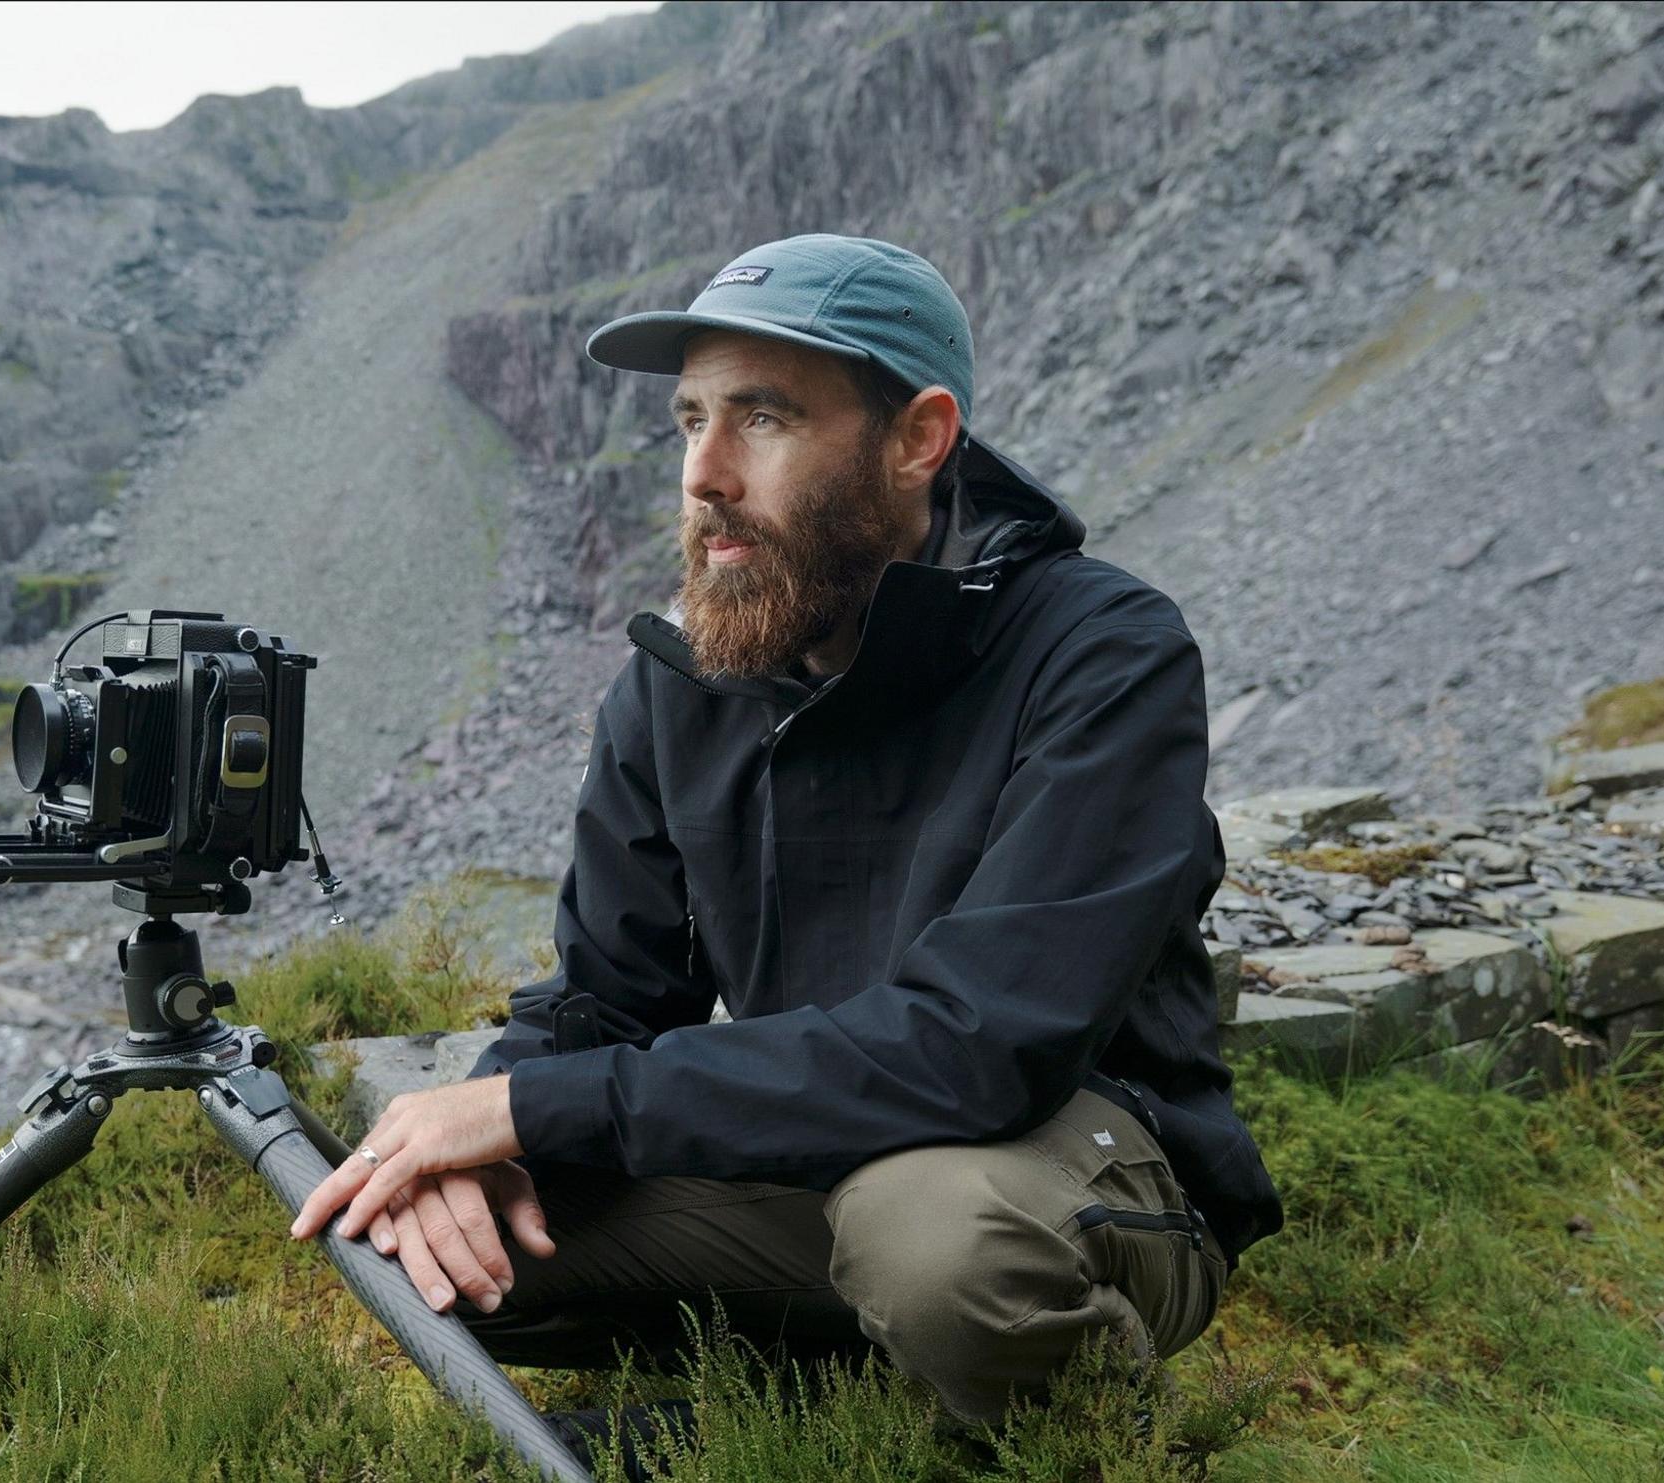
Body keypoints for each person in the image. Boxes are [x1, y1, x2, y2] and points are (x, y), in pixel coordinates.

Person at [291, 233, 1282, 1431]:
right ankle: (859, 1411)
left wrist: (541, 1110)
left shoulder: (1099, 651)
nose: (704, 472)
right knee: (431, 1235)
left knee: (932, 1240)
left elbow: (981, 1043)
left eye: (761, 419)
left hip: (1073, 1175)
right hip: (812, 1160)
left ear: (917, 438)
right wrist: (496, 1114)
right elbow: (605, 998)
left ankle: (1094, 1444)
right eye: (688, 420)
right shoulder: (681, 681)